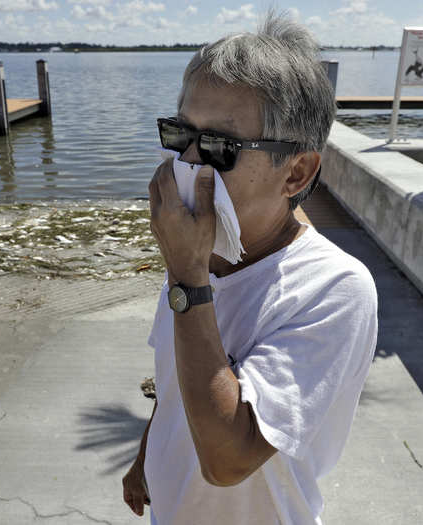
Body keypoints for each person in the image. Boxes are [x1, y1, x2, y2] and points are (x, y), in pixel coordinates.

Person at [122, 9, 378, 525]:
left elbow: (229, 460)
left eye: (220, 146)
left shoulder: (334, 288)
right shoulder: (202, 255)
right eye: (180, 134)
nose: (190, 161)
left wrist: (187, 278)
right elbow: (173, 377)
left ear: (296, 171)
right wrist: (146, 455)